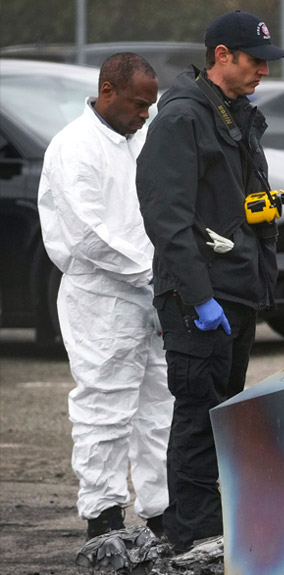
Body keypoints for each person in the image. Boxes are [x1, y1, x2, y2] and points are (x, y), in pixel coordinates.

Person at [135, 10, 284, 552]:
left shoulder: (236, 113)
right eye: (255, 62)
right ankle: (194, 540)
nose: (263, 73)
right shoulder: (182, 120)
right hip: (199, 296)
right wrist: (199, 297)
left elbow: (239, 202)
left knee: (223, 414)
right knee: (199, 417)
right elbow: (166, 219)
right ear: (222, 56)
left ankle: (213, 531)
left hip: (236, 290)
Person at [37, 53, 170, 540]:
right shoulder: (74, 147)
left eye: (151, 106)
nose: (145, 114)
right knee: (106, 409)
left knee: (159, 406)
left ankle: (161, 512)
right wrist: (157, 273)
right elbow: (89, 235)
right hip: (102, 300)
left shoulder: (134, 143)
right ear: (108, 91)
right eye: (138, 104)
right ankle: (105, 519)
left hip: (149, 295)